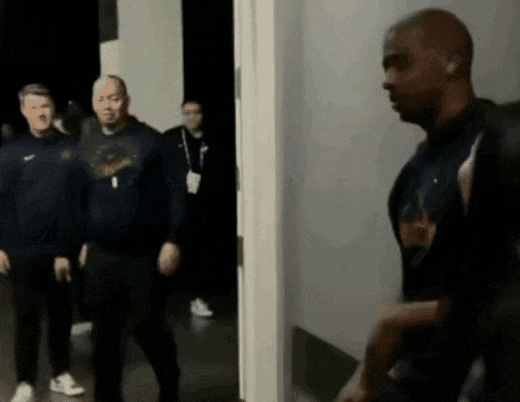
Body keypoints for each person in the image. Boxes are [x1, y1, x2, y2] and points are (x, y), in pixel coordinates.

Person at [335, 9, 497, 402]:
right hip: (418, 383)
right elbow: (421, 285)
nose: (387, 81)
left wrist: (395, 320)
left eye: (401, 63)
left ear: (452, 61)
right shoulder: (412, 176)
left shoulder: (497, 148)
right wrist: (365, 376)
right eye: (385, 67)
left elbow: (504, 298)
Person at [79, 75, 184, 402]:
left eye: (114, 98)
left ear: (126, 101)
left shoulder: (152, 141)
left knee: (148, 328)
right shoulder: (87, 142)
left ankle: (170, 389)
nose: (107, 106)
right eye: (101, 99)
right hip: (101, 254)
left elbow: (177, 193)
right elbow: (83, 194)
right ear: (93, 103)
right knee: (104, 337)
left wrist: (173, 240)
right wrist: (83, 240)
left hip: (143, 255)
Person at [0, 84, 85, 402]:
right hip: (22, 251)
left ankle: (60, 374)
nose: (41, 112)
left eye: (45, 106)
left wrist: (66, 251)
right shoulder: (11, 151)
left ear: (53, 109)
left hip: (59, 252)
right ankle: (25, 382)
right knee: (26, 320)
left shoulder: (70, 147)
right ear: (24, 111)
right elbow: (2, 201)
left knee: (61, 317)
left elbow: (75, 203)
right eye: (34, 107)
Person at [163, 99, 215, 318]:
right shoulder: (171, 138)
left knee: (200, 253)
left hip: (203, 205)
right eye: (187, 113)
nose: (192, 117)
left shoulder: (211, 139)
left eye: (196, 112)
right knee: (172, 249)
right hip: (176, 205)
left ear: (202, 115)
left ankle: (198, 297)